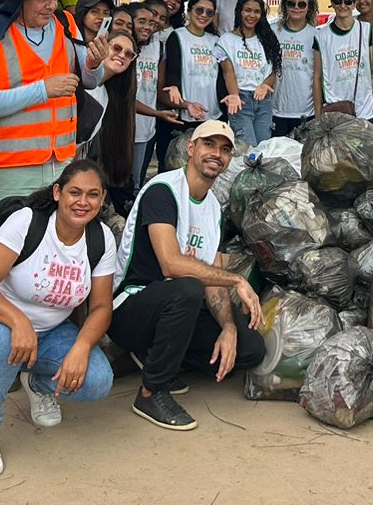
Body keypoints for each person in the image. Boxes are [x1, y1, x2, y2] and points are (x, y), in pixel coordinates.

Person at [0, 160, 118, 477]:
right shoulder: (27, 222)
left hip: (52, 333)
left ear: (102, 199)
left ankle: (36, 383)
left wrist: (81, 347)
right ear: (57, 192)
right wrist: (18, 321)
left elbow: (102, 306)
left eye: (92, 195)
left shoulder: (101, 238)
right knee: (4, 338)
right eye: (74, 192)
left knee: (98, 380)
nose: (83, 202)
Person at [108, 120, 265, 431]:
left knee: (250, 349)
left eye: (225, 149)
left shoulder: (214, 210)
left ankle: (155, 356)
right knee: (188, 287)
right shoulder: (163, 190)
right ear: (191, 148)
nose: (216, 154)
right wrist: (237, 279)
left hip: (177, 306)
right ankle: (152, 392)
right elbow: (171, 264)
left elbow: (213, 279)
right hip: (131, 306)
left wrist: (228, 327)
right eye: (209, 144)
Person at [0, 0, 109, 218]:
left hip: (61, 166)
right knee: (6, 242)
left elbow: (90, 80)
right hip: (9, 170)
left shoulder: (65, 24)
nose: (52, 5)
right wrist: (42, 90)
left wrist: (94, 64)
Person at [85, 28, 142, 215]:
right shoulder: (81, 81)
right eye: (116, 48)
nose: (122, 55)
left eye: (129, 54)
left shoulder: (106, 94)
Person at [217, 0, 279, 145]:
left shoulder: (267, 39)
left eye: (257, 11)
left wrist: (265, 85)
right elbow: (228, 72)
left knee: (264, 148)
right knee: (248, 149)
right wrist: (234, 95)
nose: (252, 15)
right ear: (239, 11)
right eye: (248, 10)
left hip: (263, 100)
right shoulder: (226, 40)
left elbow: (274, 70)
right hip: (240, 101)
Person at [161, 0, 224, 125]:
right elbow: (172, 71)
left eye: (209, 12)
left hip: (213, 112)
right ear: (189, 11)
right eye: (200, 10)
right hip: (185, 111)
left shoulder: (216, 40)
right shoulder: (177, 36)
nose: (204, 15)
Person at [315, 0, 373, 121]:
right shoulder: (321, 36)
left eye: (348, 1)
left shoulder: (366, 30)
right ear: (332, 4)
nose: (343, 5)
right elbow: (317, 77)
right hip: (335, 109)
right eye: (338, 1)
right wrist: (318, 114)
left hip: (365, 109)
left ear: (354, 4)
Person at [132, 0, 173, 182]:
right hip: (121, 124)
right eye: (151, 15)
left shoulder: (159, 47)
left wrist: (186, 104)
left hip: (146, 126)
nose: (154, 21)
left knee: (136, 180)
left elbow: (160, 88)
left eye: (161, 18)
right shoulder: (123, 43)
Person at [273, 0, 320, 137]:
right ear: (285, 5)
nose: (296, 7)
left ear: (309, 7)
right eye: (291, 3)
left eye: (302, 4)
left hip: (306, 112)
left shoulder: (316, 35)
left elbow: (319, 76)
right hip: (276, 111)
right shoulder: (272, 31)